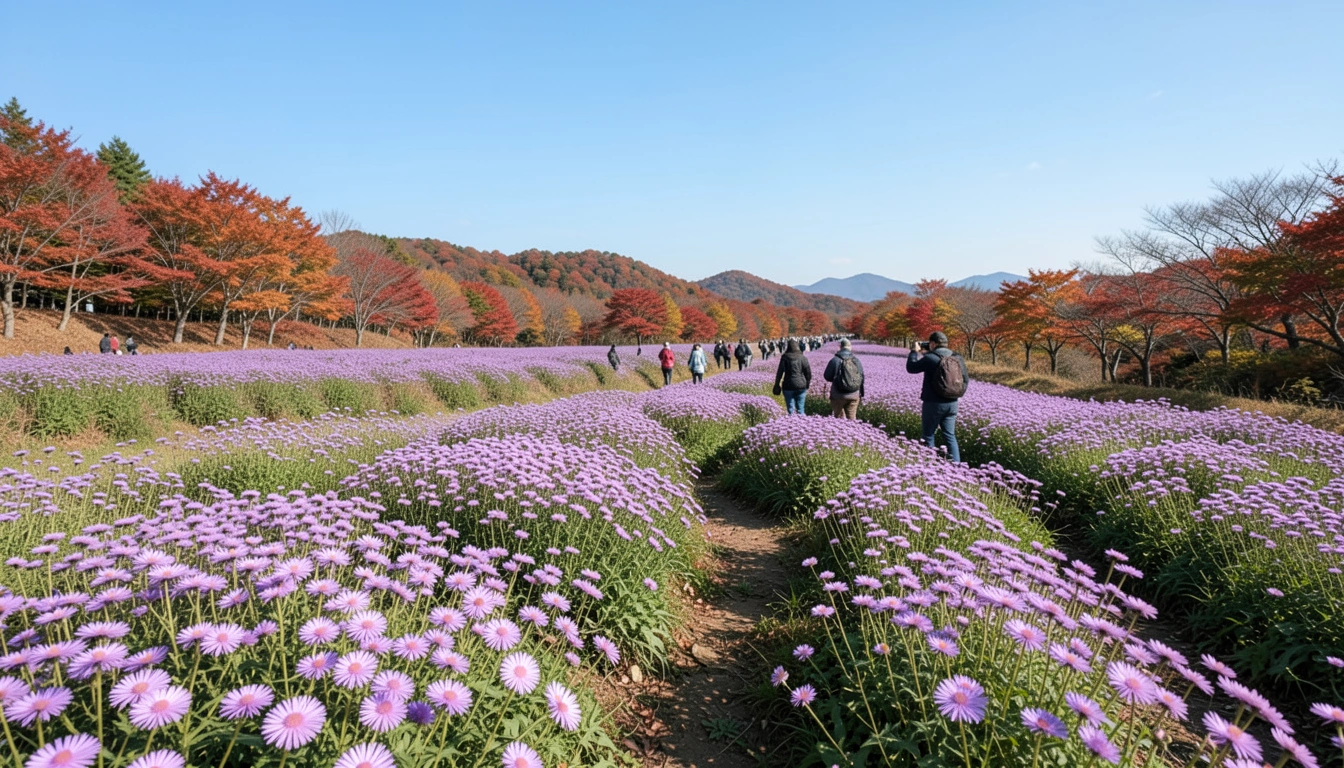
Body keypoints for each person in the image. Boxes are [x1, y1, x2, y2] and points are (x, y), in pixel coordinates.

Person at [906, 331, 968, 462]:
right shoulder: (957, 357)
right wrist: (955, 394)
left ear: (933, 343)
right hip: (952, 403)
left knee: (928, 435)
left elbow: (911, 368)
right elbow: (965, 380)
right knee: (950, 436)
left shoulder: (930, 358)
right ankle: (957, 467)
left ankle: (929, 465)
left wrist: (914, 351)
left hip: (933, 403)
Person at [823, 338, 865, 419]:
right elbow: (862, 377)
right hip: (854, 394)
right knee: (852, 419)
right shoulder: (856, 360)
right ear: (850, 347)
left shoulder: (835, 360)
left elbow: (827, 376)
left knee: (838, 419)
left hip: (838, 394)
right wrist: (861, 394)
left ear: (840, 347)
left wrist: (837, 379)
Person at [773, 339, 812, 416]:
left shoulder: (785, 357)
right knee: (801, 409)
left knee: (791, 409)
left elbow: (780, 372)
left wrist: (777, 384)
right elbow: (808, 373)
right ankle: (803, 422)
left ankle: (791, 421)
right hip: (801, 386)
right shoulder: (803, 358)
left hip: (788, 386)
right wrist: (807, 384)